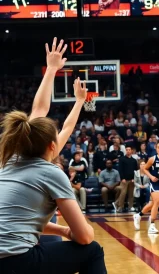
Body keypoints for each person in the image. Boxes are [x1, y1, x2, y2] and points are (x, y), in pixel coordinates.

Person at [0, 37, 107, 273]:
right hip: (14, 262)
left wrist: (51, 70)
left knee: (51, 242)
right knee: (93, 251)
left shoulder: (9, 160)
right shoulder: (50, 172)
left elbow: (39, 111)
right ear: (52, 146)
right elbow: (84, 237)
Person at [113, 145, 138, 212]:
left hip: (132, 180)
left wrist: (134, 178)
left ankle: (131, 206)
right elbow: (120, 169)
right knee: (123, 193)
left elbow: (135, 170)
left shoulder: (134, 160)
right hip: (124, 180)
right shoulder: (122, 159)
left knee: (131, 194)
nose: (128, 151)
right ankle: (120, 206)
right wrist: (122, 178)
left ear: (131, 151)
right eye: (126, 150)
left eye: (129, 150)